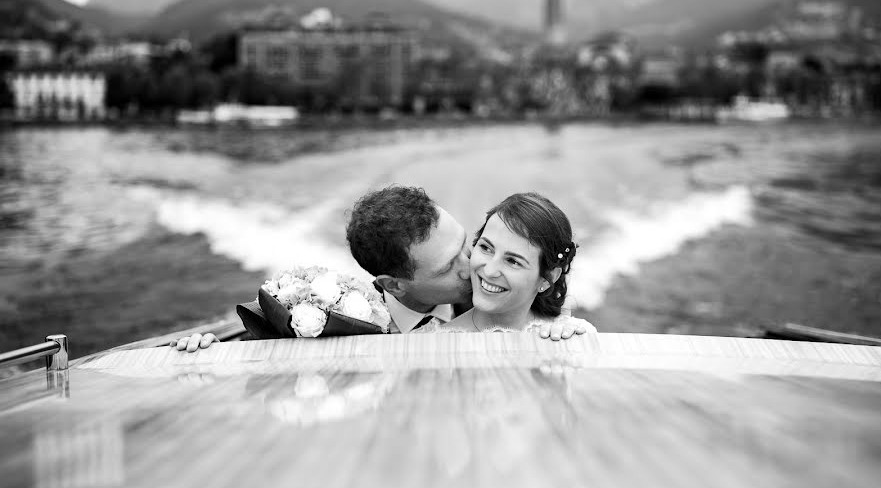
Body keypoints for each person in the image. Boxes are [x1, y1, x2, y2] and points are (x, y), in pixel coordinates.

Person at [175, 186, 587, 352]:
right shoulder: (337, 321)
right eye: (449, 266)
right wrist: (207, 355)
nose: (474, 265)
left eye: (467, 243)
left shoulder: (498, 298)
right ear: (395, 285)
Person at [420, 191, 596, 334]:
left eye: (512, 261)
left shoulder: (572, 337)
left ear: (547, 277)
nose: (489, 271)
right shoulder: (431, 343)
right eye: (486, 248)